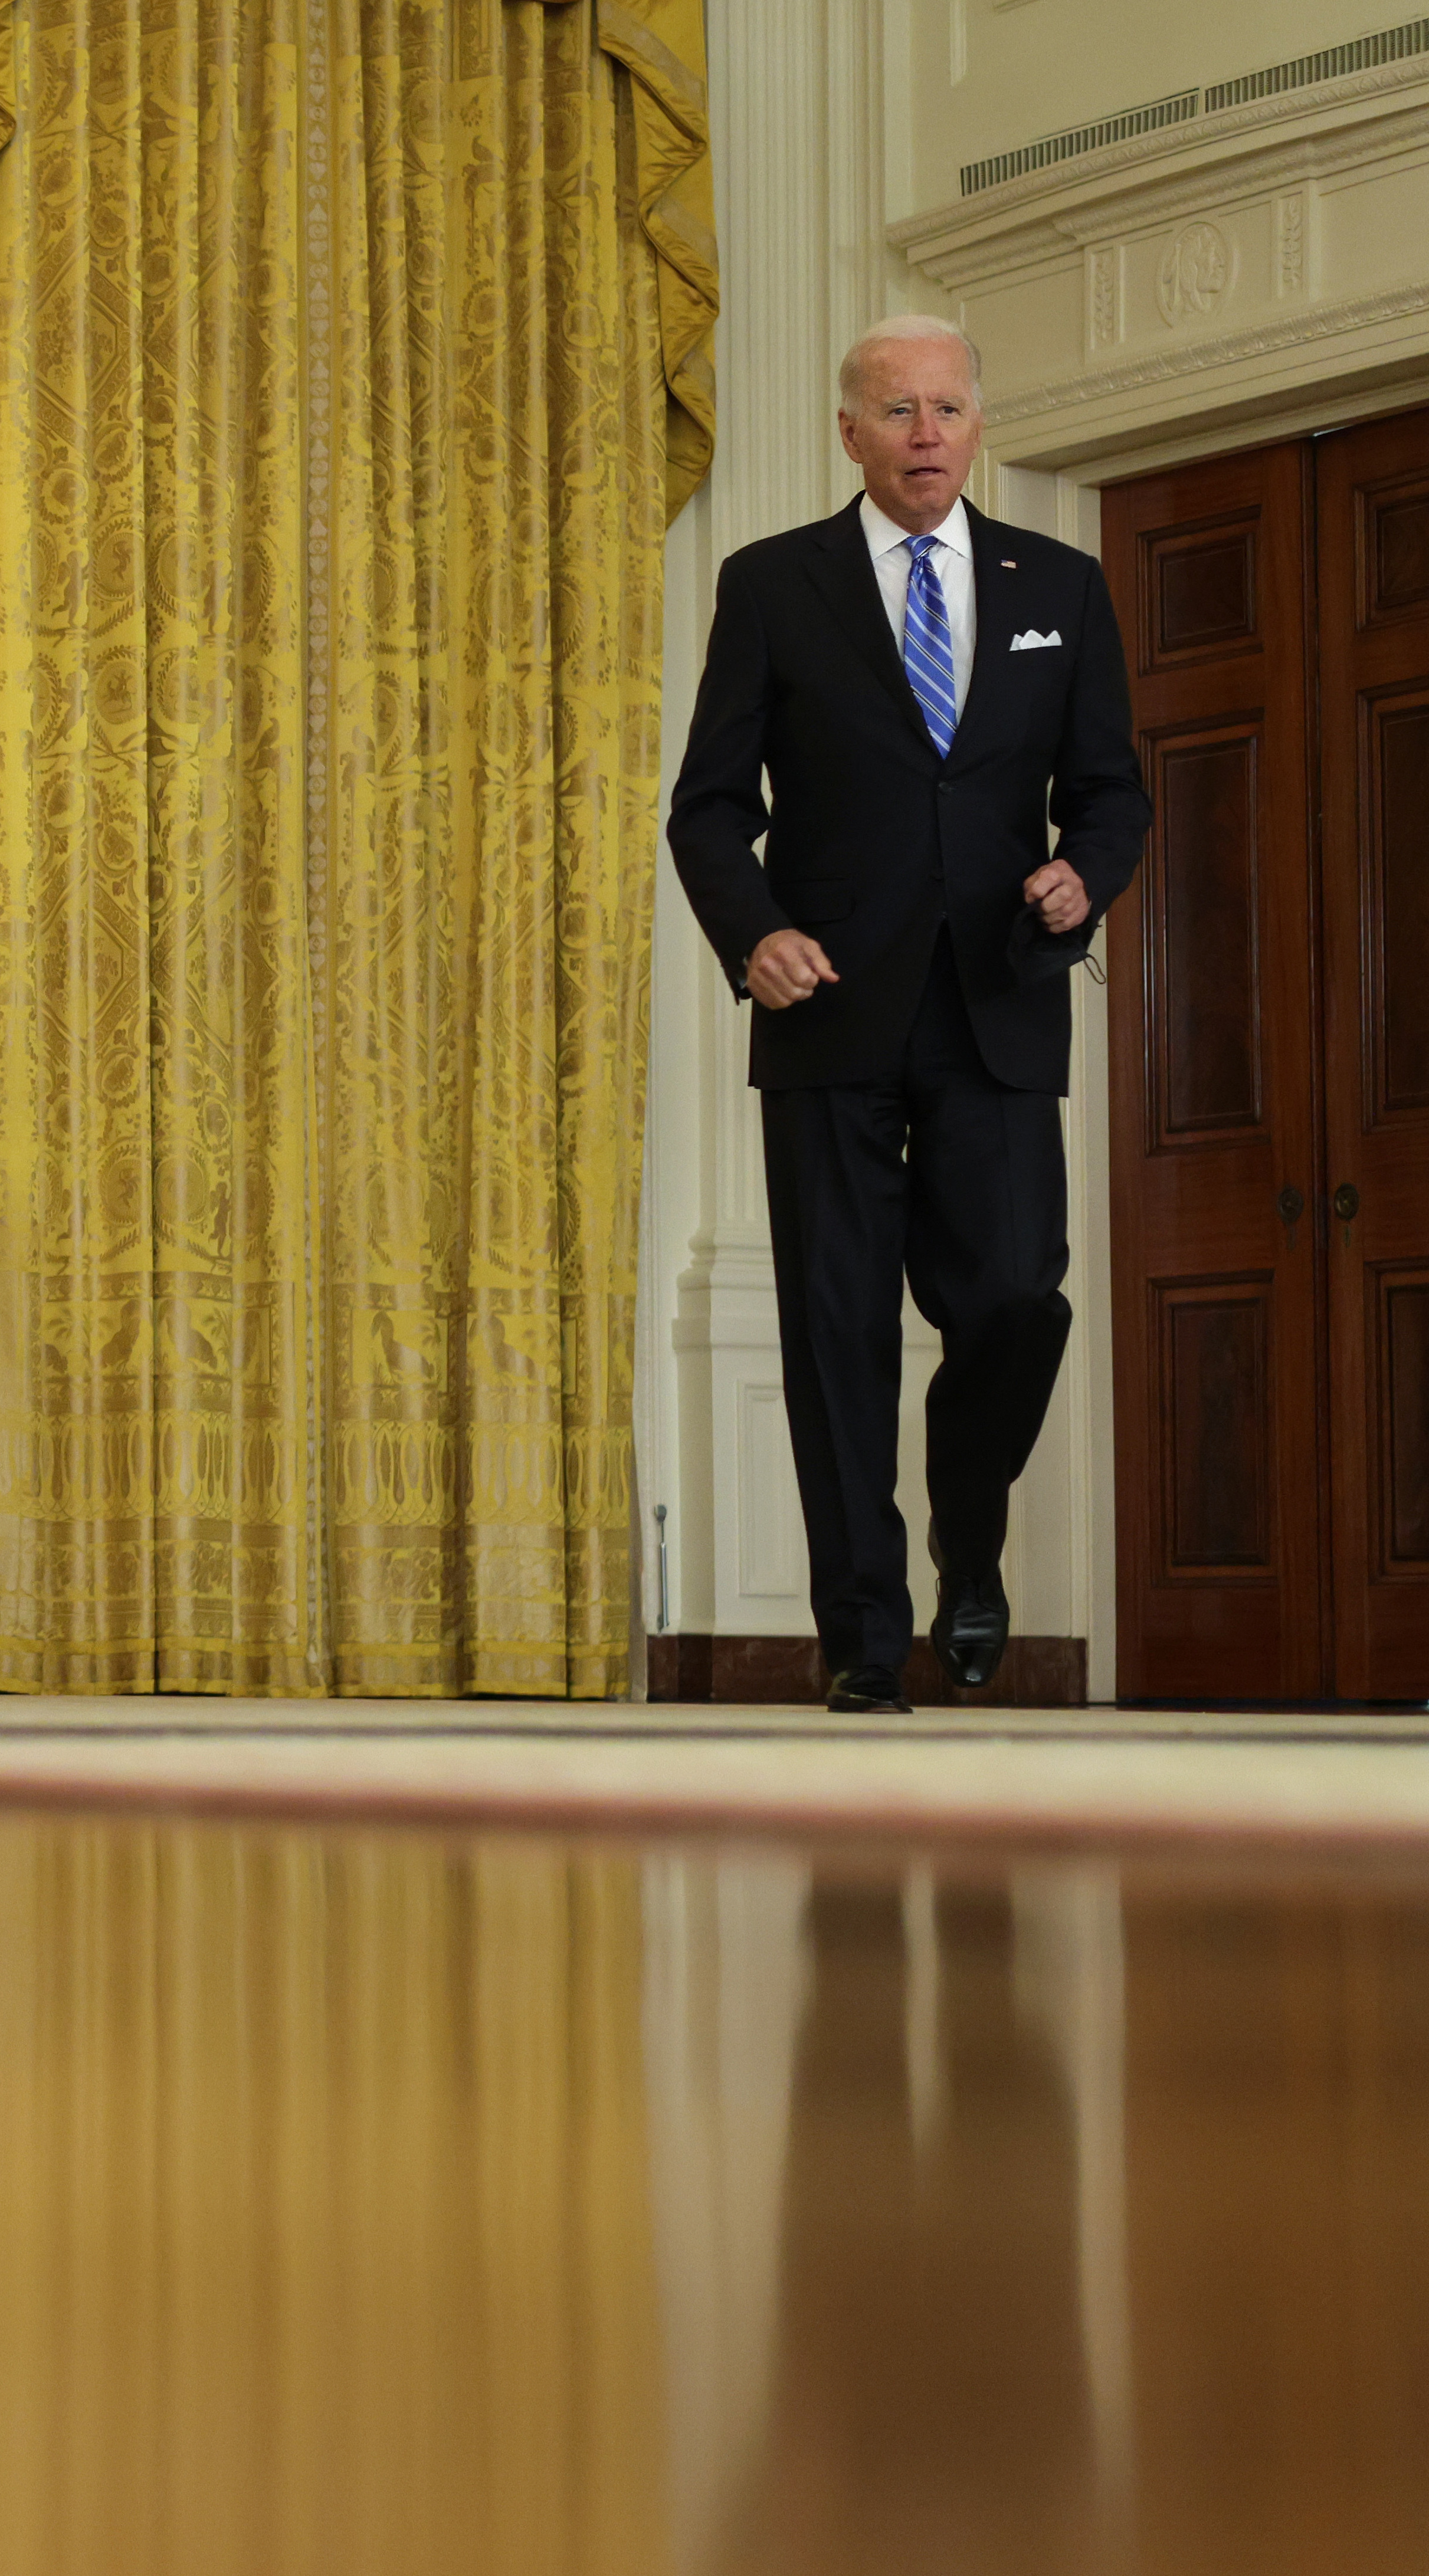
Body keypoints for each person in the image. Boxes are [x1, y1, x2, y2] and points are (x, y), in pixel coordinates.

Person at [668, 315, 1151, 1714]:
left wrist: (1086, 872)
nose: (927, 431)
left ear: (977, 424)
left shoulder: (1058, 583)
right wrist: (753, 935)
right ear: (851, 434)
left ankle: (971, 1522)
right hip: (827, 1006)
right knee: (837, 1336)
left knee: (1013, 1298)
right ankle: (866, 1643)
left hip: (997, 1002)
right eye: (899, 410)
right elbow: (709, 808)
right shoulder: (774, 586)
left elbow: (1109, 789)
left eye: (948, 406)